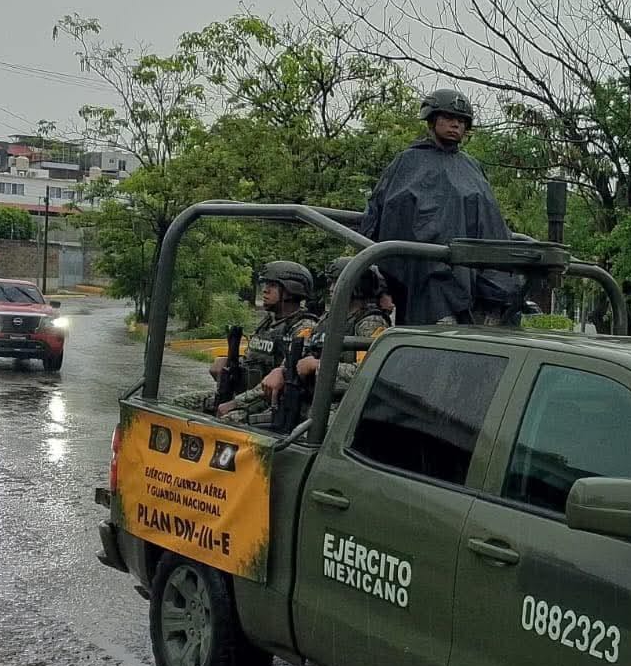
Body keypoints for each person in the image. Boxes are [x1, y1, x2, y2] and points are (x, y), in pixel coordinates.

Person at [361, 88, 522, 326]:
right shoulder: (408, 162)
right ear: (432, 120)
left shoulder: (472, 168)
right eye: (448, 118)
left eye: (461, 121)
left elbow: (490, 223)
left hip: (475, 275)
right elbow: (388, 218)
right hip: (426, 275)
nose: (455, 125)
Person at [174, 260, 316, 424]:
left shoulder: (303, 328)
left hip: (273, 403)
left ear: (290, 291)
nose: (265, 290)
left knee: (226, 420)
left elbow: (285, 376)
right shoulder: (268, 323)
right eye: (265, 284)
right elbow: (254, 361)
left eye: (272, 285)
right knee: (181, 403)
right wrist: (228, 365)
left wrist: (235, 403)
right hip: (246, 396)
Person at [258, 255, 393, 407]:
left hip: (345, 406)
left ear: (356, 286)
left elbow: (370, 372)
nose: (331, 289)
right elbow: (301, 353)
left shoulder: (370, 322)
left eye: (337, 282)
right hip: (315, 399)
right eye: (331, 283)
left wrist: (318, 365)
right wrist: (282, 370)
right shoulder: (328, 319)